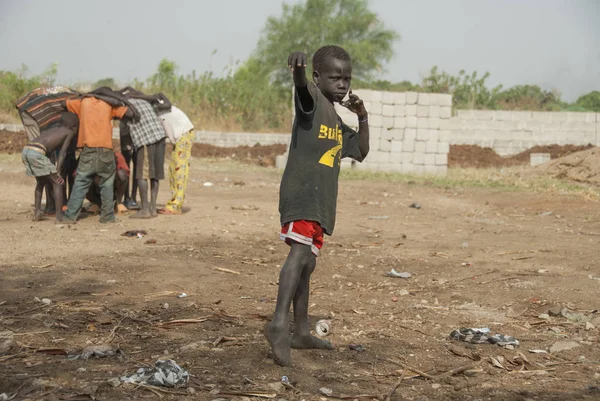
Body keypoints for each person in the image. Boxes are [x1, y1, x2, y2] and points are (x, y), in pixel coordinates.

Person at [264, 46, 370, 367]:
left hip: (321, 203)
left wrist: (362, 115)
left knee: (307, 265)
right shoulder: (312, 103)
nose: (342, 84)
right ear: (317, 78)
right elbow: (300, 86)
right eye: (334, 77)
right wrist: (297, 66)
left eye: (346, 78)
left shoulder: (337, 121)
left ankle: (301, 332)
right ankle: (279, 324)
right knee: (298, 256)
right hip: (302, 195)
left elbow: (362, 150)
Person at [61, 90, 137, 223]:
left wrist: (82, 99)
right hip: (106, 150)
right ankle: (107, 216)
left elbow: (63, 104)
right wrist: (115, 99)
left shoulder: (82, 102)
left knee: (81, 182)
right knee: (107, 182)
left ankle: (70, 216)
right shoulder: (109, 104)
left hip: (88, 149)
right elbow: (130, 113)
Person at [15, 86, 80, 213]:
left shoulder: (73, 99)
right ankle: (55, 209)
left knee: (42, 178)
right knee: (55, 178)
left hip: (28, 147)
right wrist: (58, 170)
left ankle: (41, 210)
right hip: (32, 111)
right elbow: (62, 153)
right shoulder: (79, 105)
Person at [118, 88, 171, 219]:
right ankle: (152, 208)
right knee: (155, 175)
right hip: (160, 137)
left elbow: (126, 128)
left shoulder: (125, 105)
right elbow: (167, 105)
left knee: (141, 175)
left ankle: (145, 210)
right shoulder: (145, 101)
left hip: (146, 139)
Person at [21, 112, 79, 222]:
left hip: (27, 150)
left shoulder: (53, 130)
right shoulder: (69, 132)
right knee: (57, 183)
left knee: (41, 182)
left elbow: (47, 149)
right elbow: (62, 153)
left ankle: (37, 213)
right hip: (37, 152)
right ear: (73, 126)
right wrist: (58, 172)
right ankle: (59, 218)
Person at [157, 105, 194, 214]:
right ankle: (174, 202)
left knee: (179, 170)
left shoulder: (160, 103)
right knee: (173, 170)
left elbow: (165, 101)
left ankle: (175, 206)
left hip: (183, 134)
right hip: (180, 136)